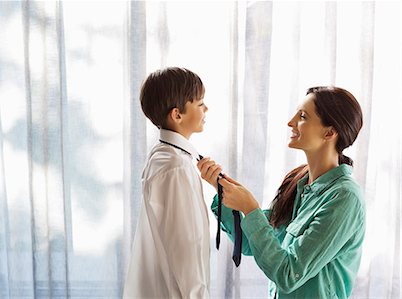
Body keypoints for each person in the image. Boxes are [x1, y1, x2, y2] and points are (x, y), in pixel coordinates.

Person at [198, 86, 365, 298]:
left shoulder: (344, 198)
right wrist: (224, 193)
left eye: (303, 116)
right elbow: (251, 243)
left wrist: (251, 209)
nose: (291, 122)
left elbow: (288, 274)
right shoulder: (299, 184)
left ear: (329, 132)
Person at [123, 67, 210, 298]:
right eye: (200, 104)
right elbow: (184, 250)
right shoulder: (175, 166)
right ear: (177, 115)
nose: (206, 109)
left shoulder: (167, 157)